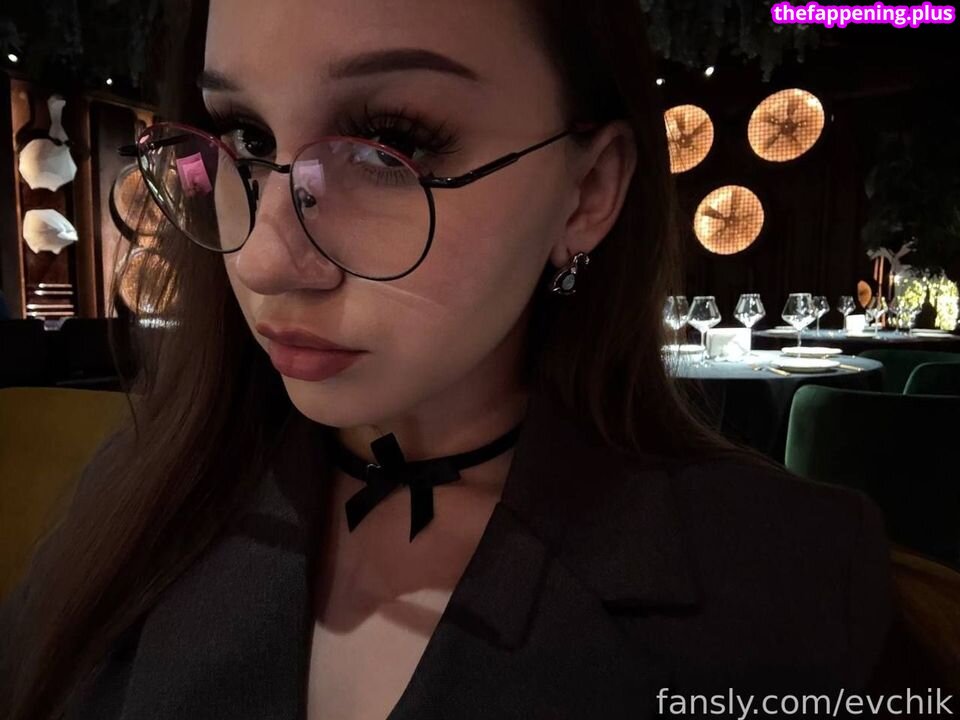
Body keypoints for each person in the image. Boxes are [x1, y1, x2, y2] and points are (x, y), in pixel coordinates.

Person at [0, 0, 895, 718]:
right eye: (247, 139)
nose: (265, 260)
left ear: (587, 191)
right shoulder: (145, 489)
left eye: (389, 146)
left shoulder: (787, 577)